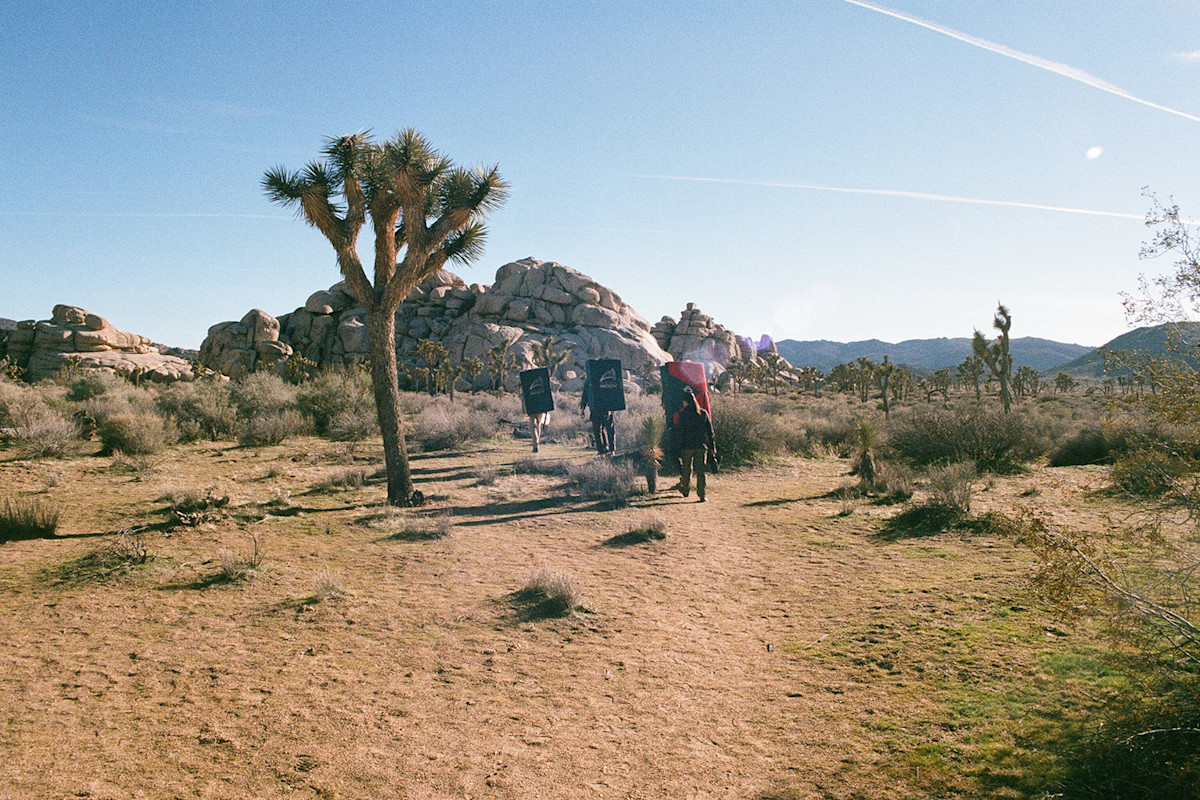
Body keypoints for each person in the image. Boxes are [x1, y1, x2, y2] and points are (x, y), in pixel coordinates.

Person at [672, 386, 716, 502]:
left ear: (685, 401)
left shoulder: (683, 414)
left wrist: (678, 448)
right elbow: (710, 432)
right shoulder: (703, 413)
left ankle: (685, 490)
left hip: (687, 447)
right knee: (701, 472)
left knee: (686, 469)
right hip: (701, 446)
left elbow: (680, 433)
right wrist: (712, 447)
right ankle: (702, 495)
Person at [580, 377, 615, 455]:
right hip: (603, 407)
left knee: (600, 429)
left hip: (599, 407)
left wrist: (582, 408)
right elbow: (585, 394)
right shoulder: (606, 376)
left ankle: (604, 450)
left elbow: (585, 394)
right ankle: (606, 449)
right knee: (603, 429)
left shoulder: (590, 378)